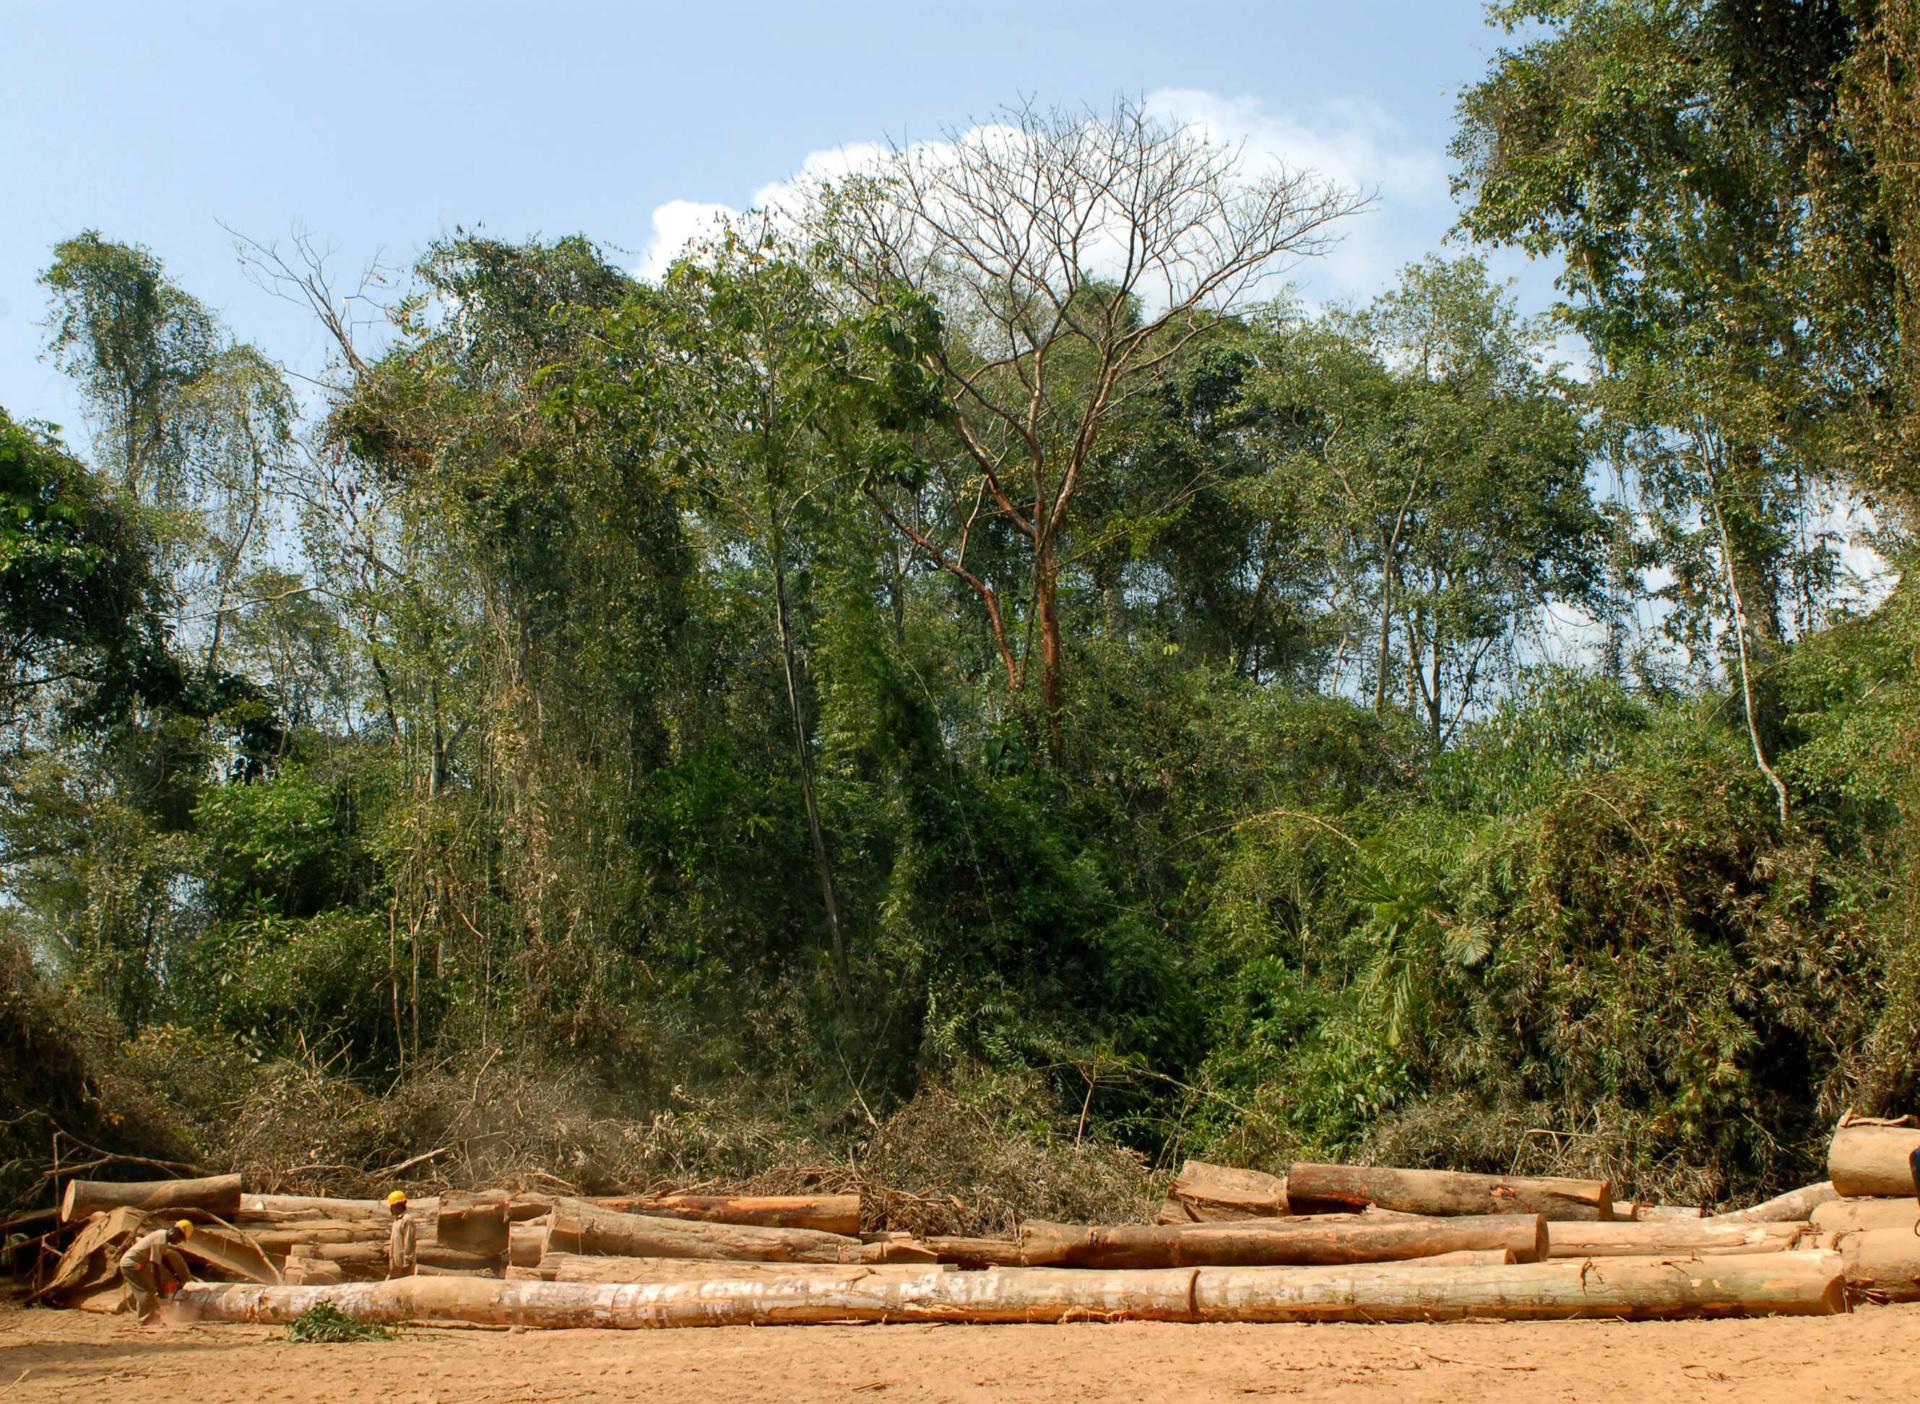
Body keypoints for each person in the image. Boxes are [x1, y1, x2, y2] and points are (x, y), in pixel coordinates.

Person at [118, 1220, 194, 1324]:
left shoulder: (162, 1235)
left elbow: (163, 1258)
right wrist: (160, 1290)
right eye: (180, 1238)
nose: (179, 1242)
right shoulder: (160, 1241)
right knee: (145, 1292)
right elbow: (155, 1267)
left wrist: (175, 1274)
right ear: (176, 1233)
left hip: (137, 1264)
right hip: (131, 1265)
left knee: (148, 1290)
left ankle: (152, 1316)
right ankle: (146, 1321)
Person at [386, 1189, 417, 1278]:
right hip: (396, 1265)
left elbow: (409, 1242)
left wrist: (407, 1261)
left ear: (399, 1205)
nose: (390, 1208)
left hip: (404, 1265)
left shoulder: (407, 1220)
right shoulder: (397, 1221)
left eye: (392, 1206)